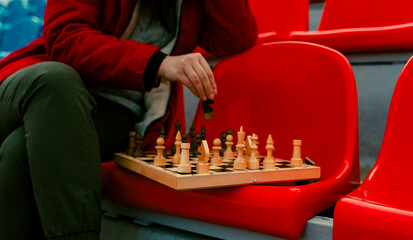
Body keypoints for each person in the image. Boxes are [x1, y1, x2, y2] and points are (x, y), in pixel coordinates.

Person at [0, 0, 257, 239]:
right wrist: (158, 64)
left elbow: (236, 37)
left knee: (20, 149)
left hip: (114, 112)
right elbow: (65, 38)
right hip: (39, 88)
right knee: (58, 83)